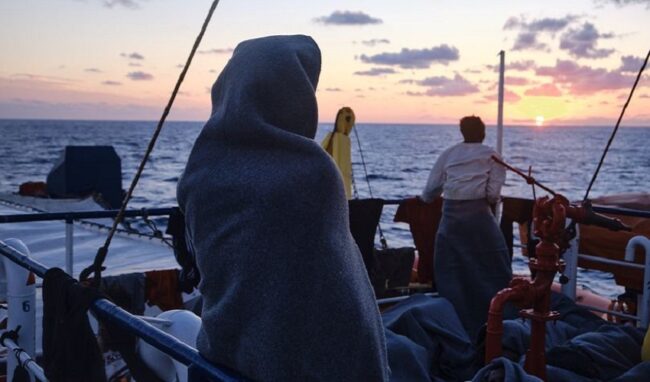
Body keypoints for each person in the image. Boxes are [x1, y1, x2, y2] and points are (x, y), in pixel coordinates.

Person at [177, 35, 389, 381]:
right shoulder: (313, 172)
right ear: (295, 96)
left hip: (224, 350)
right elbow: (336, 288)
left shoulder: (199, 170)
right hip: (304, 361)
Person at [420, 115, 512, 340]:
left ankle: (455, 323)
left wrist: (423, 199)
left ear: (462, 132)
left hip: (451, 220)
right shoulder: (492, 156)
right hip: (480, 218)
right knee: (495, 265)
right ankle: (498, 318)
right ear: (483, 132)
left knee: (450, 269)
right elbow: (492, 194)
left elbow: (431, 190)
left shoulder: (449, 154)